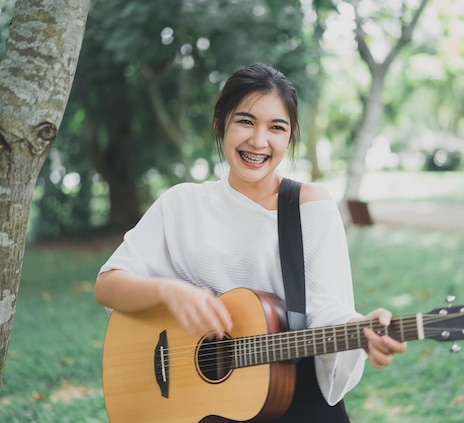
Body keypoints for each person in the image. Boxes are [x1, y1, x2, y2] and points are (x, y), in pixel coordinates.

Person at [94, 63, 406, 422]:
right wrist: (170, 292)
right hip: (200, 408)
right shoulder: (181, 204)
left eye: (277, 127)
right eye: (245, 121)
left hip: (294, 402)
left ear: (289, 138)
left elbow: (327, 308)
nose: (259, 141)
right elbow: (108, 284)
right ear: (219, 124)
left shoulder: (308, 205)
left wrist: (363, 327)